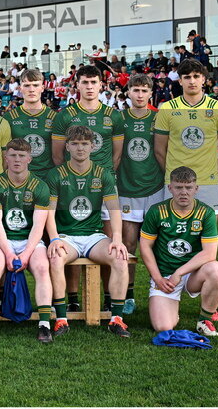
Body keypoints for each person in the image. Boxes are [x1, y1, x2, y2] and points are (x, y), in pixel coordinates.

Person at [45, 126, 131, 338]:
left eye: (84, 144)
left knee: (120, 257)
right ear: (67, 147)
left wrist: (117, 239)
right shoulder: (56, 174)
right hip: (67, 236)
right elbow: (49, 212)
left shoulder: (103, 174)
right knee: (55, 259)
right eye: (75, 144)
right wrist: (55, 238)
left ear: (93, 146)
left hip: (94, 235)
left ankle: (116, 319)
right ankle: (62, 319)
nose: (80, 148)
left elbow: (114, 209)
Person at [0, 139, 53, 343]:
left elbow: (38, 225)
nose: (17, 160)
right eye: (12, 155)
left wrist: (26, 253)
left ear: (29, 158)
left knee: (43, 268)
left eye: (21, 156)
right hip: (4, 240)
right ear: (5, 157)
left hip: (31, 241)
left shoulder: (40, 186)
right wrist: (9, 253)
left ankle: (44, 325)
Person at [139, 167, 218, 337]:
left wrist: (179, 272)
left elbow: (210, 254)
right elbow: (145, 246)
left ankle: (205, 320)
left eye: (188, 187)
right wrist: (158, 278)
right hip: (165, 276)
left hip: (193, 274)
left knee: (217, 270)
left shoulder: (206, 213)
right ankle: (171, 308)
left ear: (196, 188)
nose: (184, 192)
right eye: (178, 187)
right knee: (163, 327)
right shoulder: (157, 211)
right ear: (170, 188)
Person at [154, 59, 218, 214]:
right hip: (174, 183)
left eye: (196, 76)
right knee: (174, 235)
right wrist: (173, 175)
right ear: (180, 81)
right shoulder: (168, 108)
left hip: (207, 183)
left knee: (208, 236)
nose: (192, 81)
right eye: (187, 77)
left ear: (203, 79)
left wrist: (212, 175)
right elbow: (159, 150)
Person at [115, 74, 165, 316]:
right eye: (135, 90)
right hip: (126, 188)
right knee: (129, 244)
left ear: (150, 94)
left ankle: (161, 290)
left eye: (144, 90)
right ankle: (128, 294)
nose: (140, 94)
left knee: (158, 244)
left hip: (155, 189)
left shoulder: (159, 118)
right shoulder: (119, 118)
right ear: (128, 93)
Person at [4, 69, 57, 181]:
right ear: (20, 88)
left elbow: (59, 156)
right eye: (27, 85)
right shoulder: (9, 118)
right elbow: (4, 155)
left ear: (42, 88)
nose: (31, 89)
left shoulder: (55, 118)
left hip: (47, 180)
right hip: (18, 181)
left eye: (35, 85)